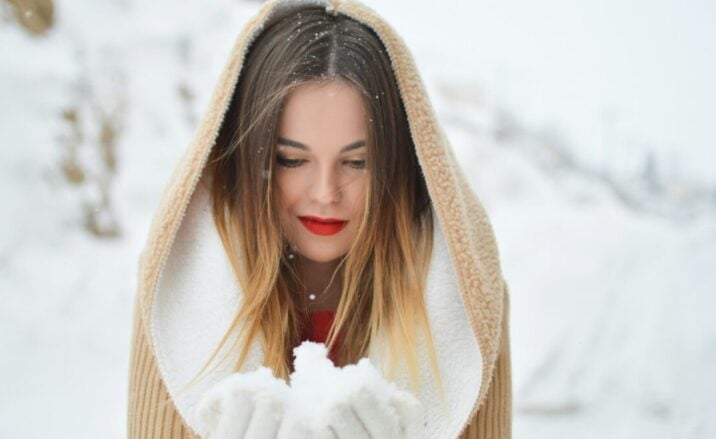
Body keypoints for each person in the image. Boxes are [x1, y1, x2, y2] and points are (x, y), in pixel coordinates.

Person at [127, 0, 512, 438]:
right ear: (251, 160)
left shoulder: (463, 298)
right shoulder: (178, 289)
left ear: (399, 164)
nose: (326, 193)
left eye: (358, 162)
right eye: (292, 160)